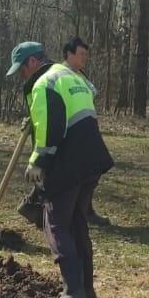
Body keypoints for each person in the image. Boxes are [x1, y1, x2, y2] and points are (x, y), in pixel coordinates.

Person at [6, 40, 114, 298]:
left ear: (32, 62)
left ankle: (72, 291)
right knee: (77, 220)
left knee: (54, 222)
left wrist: (38, 161)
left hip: (71, 159)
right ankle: (86, 287)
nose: (21, 76)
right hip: (93, 155)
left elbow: (52, 125)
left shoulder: (44, 83)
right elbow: (68, 115)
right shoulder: (71, 76)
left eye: (21, 69)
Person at [63, 36, 111, 227]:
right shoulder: (61, 75)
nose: (85, 58)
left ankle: (84, 210)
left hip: (88, 131)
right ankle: (78, 212)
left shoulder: (81, 75)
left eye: (86, 54)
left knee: (96, 168)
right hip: (71, 133)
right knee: (81, 174)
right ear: (69, 54)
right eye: (81, 54)